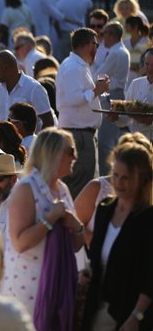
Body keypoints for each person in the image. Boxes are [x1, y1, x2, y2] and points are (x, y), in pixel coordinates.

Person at [0, 128, 85, 329]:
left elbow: (75, 245)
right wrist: (49, 219)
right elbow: (19, 243)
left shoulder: (61, 189)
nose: (75, 157)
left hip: (56, 286)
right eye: (70, 151)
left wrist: (77, 226)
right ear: (53, 153)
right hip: (27, 290)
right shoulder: (26, 189)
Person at [81, 141, 153, 330]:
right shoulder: (105, 208)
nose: (118, 183)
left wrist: (136, 316)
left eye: (126, 178)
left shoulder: (147, 218)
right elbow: (98, 254)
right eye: (115, 175)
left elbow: (150, 276)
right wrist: (88, 271)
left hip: (128, 314)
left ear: (142, 179)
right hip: (96, 304)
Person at [56, 27, 109, 198]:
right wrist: (96, 91)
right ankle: (72, 222)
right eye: (96, 44)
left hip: (79, 134)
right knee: (79, 186)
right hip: (78, 135)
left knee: (78, 184)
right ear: (88, 45)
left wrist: (96, 90)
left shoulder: (78, 65)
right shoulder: (73, 67)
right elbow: (73, 99)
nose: (97, 48)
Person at [0, 50, 54, 132]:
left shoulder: (34, 88)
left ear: (6, 68)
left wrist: (36, 143)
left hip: (29, 144)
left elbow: (48, 121)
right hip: (4, 144)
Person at [96, 22, 131, 176]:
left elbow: (100, 74)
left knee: (105, 142)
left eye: (105, 34)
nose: (103, 38)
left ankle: (107, 177)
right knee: (111, 140)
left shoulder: (117, 53)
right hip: (114, 94)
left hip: (112, 95)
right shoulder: (119, 51)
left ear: (112, 35)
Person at [123, 16, 150, 87]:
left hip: (141, 75)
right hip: (127, 76)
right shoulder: (125, 41)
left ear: (135, 26)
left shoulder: (146, 41)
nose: (125, 27)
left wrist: (139, 67)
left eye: (127, 25)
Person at [89, 9, 110, 75]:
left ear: (106, 26)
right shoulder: (85, 43)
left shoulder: (111, 43)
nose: (95, 29)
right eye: (92, 26)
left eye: (99, 26)